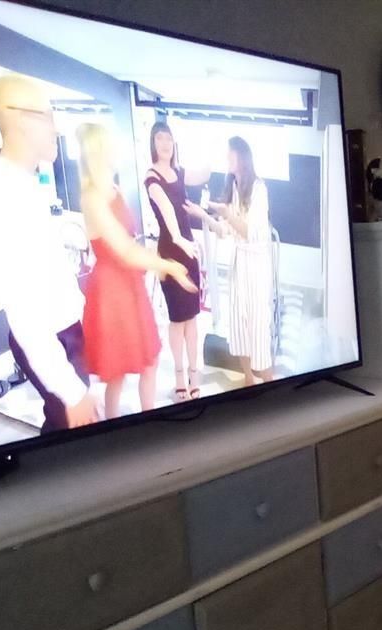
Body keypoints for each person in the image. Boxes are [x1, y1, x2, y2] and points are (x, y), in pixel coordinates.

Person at [0, 74, 96, 432]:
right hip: (52, 340)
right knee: (69, 449)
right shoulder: (5, 194)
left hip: (62, 333)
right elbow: (24, 311)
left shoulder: (21, 183)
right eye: (48, 115)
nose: (56, 128)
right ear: (19, 118)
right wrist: (69, 388)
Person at [76, 122, 196, 419]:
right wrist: (166, 265)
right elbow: (125, 251)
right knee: (116, 371)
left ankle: (149, 419)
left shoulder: (115, 188)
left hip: (131, 284)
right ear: (100, 150)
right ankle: (115, 427)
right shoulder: (91, 197)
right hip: (111, 289)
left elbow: (130, 242)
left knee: (149, 360)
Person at [185, 136, 275, 387]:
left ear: (242, 156)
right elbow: (224, 230)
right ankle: (248, 379)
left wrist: (227, 214)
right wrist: (203, 214)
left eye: (230, 155)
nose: (227, 160)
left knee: (257, 326)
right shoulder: (233, 187)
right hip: (238, 264)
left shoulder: (258, 188)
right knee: (239, 324)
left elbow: (251, 232)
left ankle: (269, 381)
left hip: (256, 266)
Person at [143, 122, 210, 401]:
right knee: (177, 318)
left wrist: (203, 137)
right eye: (160, 138)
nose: (165, 143)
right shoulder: (151, 176)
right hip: (170, 250)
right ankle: (180, 376)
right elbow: (167, 208)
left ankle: (195, 373)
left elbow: (206, 172)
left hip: (189, 249)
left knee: (192, 317)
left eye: (169, 138)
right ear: (153, 143)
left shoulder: (180, 172)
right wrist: (178, 239)